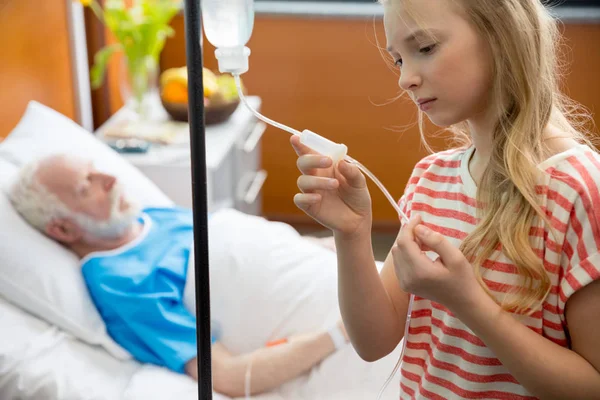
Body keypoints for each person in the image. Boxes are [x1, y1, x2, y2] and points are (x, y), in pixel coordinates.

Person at [290, 0, 600, 399]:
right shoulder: (431, 179)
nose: (405, 79)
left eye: (426, 48)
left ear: (502, 35)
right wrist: (351, 233)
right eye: (398, 60)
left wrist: (468, 302)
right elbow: (373, 342)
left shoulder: (581, 192)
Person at [8, 153, 350, 398]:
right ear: (63, 228)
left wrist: (323, 247)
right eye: (87, 186)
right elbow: (226, 376)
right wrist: (341, 333)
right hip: (337, 327)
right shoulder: (120, 282)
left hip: (332, 274)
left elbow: (248, 250)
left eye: (95, 169)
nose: (110, 178)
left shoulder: (150, 215)